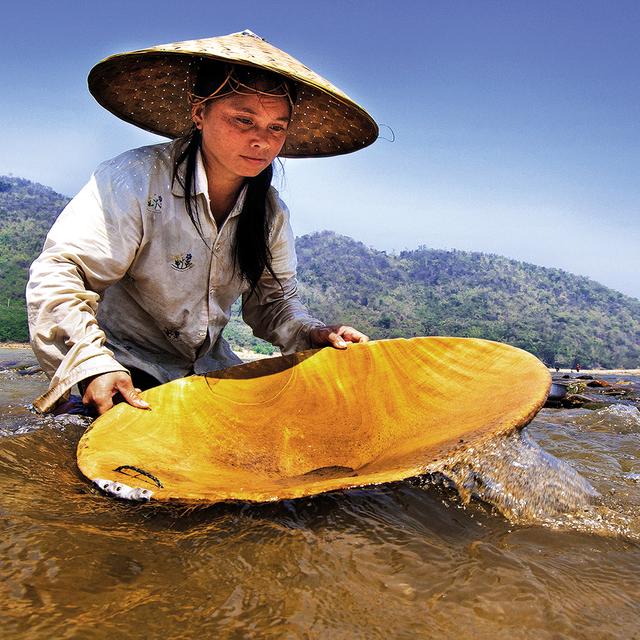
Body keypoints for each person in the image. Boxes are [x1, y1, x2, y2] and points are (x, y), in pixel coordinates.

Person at [27, 30, 378, 415]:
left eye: (276, 127)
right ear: (199, 113)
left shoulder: (270, 213)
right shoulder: (135, 179)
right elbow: (62, 272)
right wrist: (92, 364)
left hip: (209, 374)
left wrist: (313, 332)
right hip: (121, 371)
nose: (262, 140)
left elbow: (274, 301)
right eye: (244, 120)